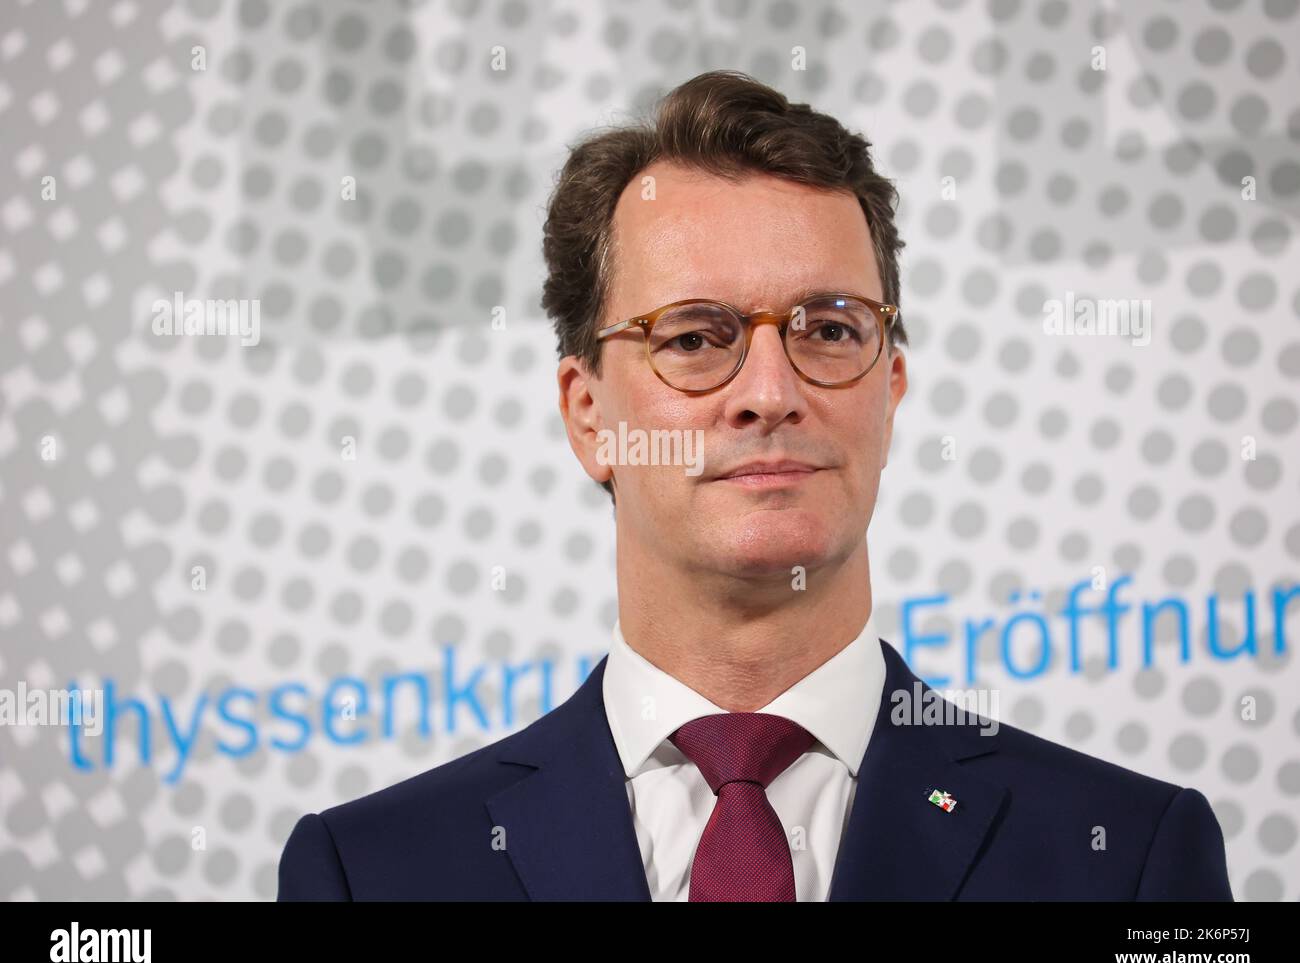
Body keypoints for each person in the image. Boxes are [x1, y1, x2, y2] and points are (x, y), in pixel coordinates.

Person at [278, 70, 1232, 901]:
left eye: (830, 330)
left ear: (890, 391)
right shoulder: (375, 873)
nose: (770, 394)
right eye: (694, 337)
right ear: (587, 415)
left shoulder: (1129, 855)